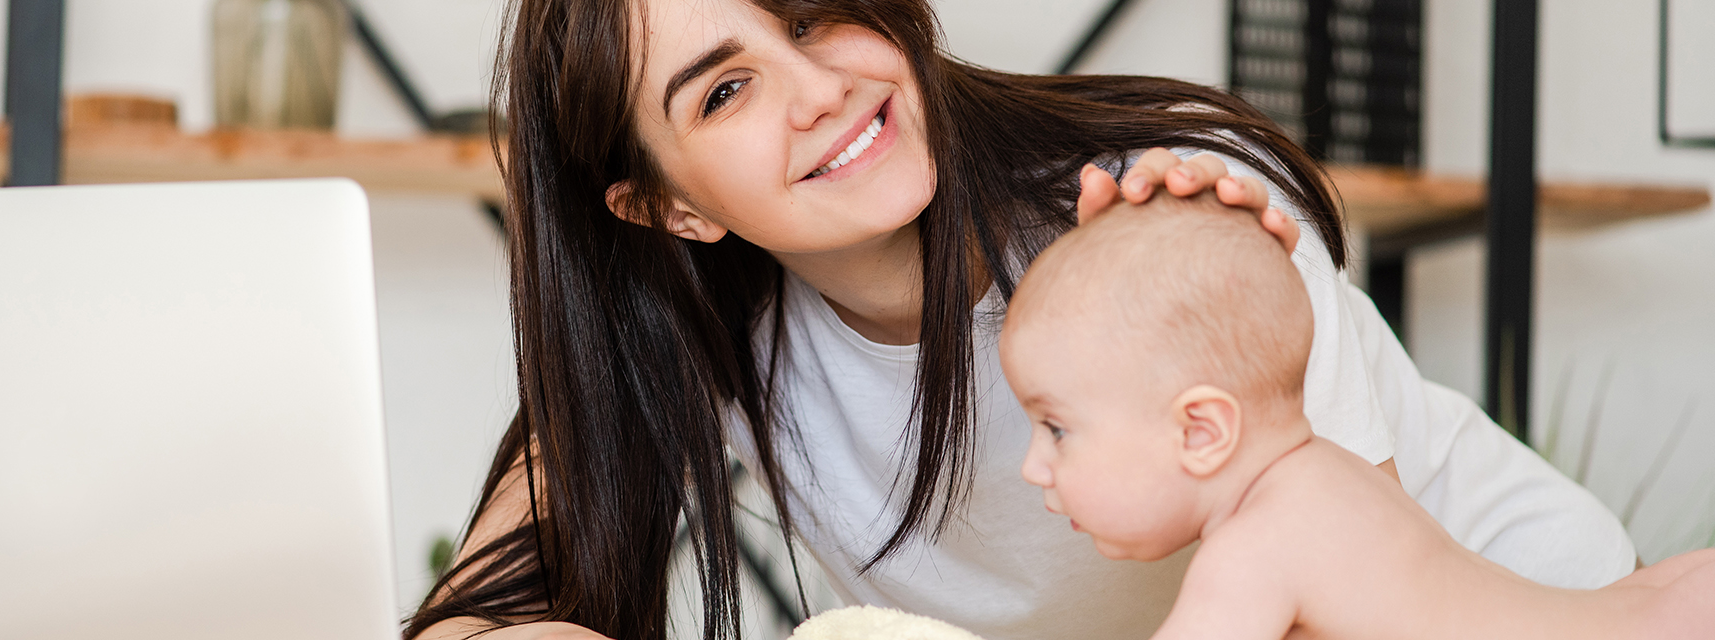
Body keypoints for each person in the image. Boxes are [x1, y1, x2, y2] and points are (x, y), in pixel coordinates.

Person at [407, 1, 1635, 639]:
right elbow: (474, 615)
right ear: (667, 205)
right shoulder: (712, 352)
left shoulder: (1170, 216)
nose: (822, 88)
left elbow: (1357, 602)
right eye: (726, 89)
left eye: (811, 14)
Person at [1003, 194, 1715, 640]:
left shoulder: (1253, 551)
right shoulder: (1341, 474)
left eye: (1056, 429)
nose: (1033, 466)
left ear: (1202, 431)